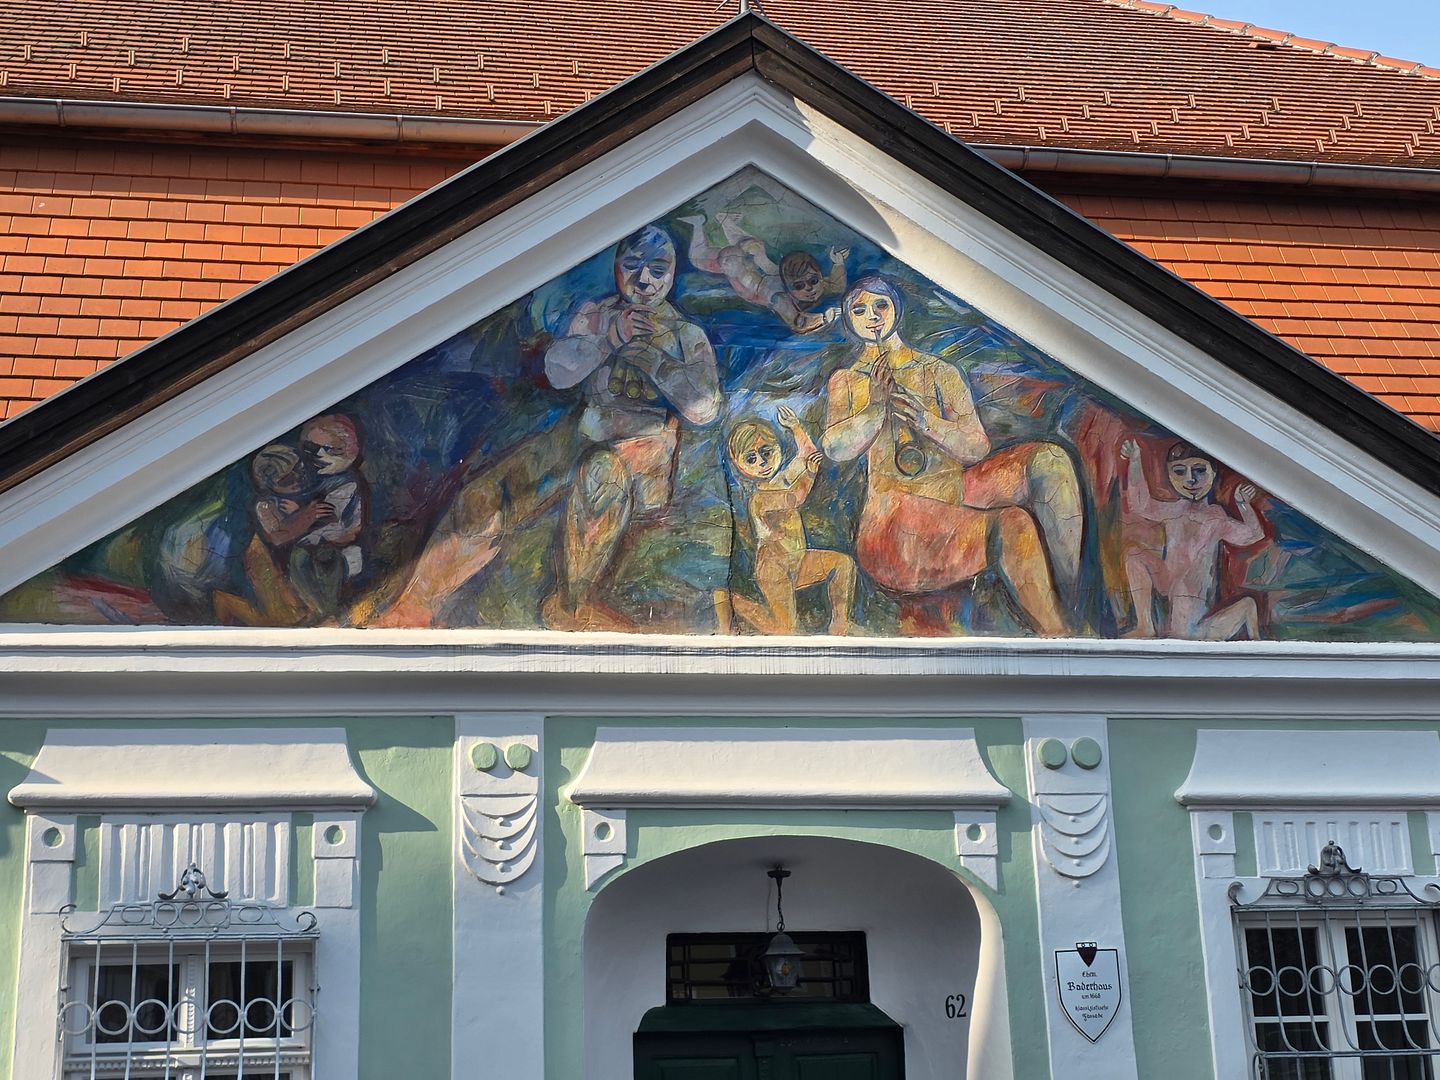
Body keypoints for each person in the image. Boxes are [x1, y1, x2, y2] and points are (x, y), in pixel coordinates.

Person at [821, 277, 1083, 636]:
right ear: (850, 320)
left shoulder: (939, 371)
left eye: (880, 305)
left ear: (896, 309)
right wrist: (875, 409)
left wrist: (926, 422)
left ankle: (1068, 595)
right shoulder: (847, 380)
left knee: (1050, 461)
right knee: (1013, 525)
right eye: (859, 309)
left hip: (951, 490)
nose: (873, 316)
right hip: (894, 518)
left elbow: (976, 447)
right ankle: (1057, 634)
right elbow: (835, 448)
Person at [541, 225, 722, 630]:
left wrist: (654, 361)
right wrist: (610, 338)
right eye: (633, 266)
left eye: (657, 270)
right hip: (588, 441)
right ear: (616, 268)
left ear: (672, 275)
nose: (644, 280)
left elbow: (706, 407)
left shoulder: (686, 333)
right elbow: (557, 372)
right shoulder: (595, 316)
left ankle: (572, 604)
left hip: (648, 453)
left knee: (603, 473)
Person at [726, 405, 855, 635]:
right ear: (739, 464)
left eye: (766, 452)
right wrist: (810, 474)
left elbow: (807, 455)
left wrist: (795, 427)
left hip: (799, 559)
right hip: (774, 568)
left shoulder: (782, 479)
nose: (762, 462)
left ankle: (840, 624)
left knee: (843, 564)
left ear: (777, 448)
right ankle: (735, 603)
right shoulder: (759, 499)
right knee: (785, 629)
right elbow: (794, 498)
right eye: (752, 458)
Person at [1119, 438, 1264, 639]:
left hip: (1194, 603)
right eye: (1179, 471)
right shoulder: (1174, 510)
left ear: (1213, 473)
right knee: (1134, 555)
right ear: (1169, 475)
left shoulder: (1215, 518)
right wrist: (1135, 461)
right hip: (1167, 579)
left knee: (1187, 593)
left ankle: (1253, 642)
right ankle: (1145, 626)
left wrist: (1243, 505)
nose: (1190, 480)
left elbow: (1254, 535)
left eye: (1199, 470)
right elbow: (1141, 505)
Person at [680, 211, 848, 334]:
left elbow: (836, 287)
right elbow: (799, 323)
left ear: (819, 276)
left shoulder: (813, 284)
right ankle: (698, 223)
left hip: (764, 270)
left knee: (752, 248)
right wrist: (824, 318)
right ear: (788, 287)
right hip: (744, 279)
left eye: (813, 281)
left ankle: (725, 221)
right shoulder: (779, 297)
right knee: (703, 258)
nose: (809, 289)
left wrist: (837, 264)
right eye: (799, 286)